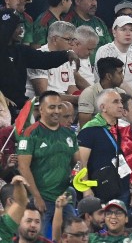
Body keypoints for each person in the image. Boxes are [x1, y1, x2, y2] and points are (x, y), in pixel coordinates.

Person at [16, 90, 80, 236]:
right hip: (41, 198)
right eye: (52, 107)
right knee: (38, 238)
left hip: (64, 198)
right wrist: (37, 197)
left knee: (74, 235)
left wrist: (77, 178)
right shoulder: (30, 133)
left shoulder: (69, 133)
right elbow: (23, 167)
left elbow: (78, 163)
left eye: (59, 107)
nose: (56, 111)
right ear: (41, 109)